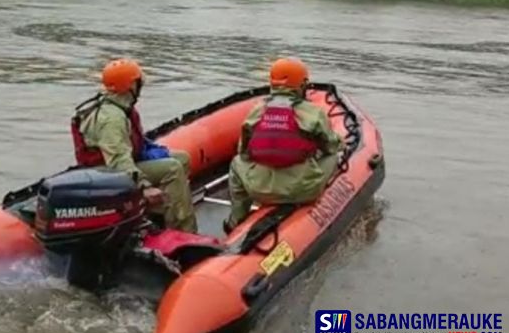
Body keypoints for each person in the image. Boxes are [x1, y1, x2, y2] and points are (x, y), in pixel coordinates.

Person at [70, 58, 198, 233]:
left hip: (117, 167)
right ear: (130, 86)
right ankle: (184, 231)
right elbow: (118, 161)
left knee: (181, 158)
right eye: (138, 82)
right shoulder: (111, 119)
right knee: (173, 169)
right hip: (105, 175)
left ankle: (158, 213)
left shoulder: (119, 106)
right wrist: (144, 186)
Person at [224, 57, 343, 232]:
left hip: (260, 190)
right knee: (334, 155)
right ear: (302, 85)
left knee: (236, 162)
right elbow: (331, 147)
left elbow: (244, 152)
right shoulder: (314, 113)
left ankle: (236, 220)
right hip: (303, 190)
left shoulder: (257, 111)